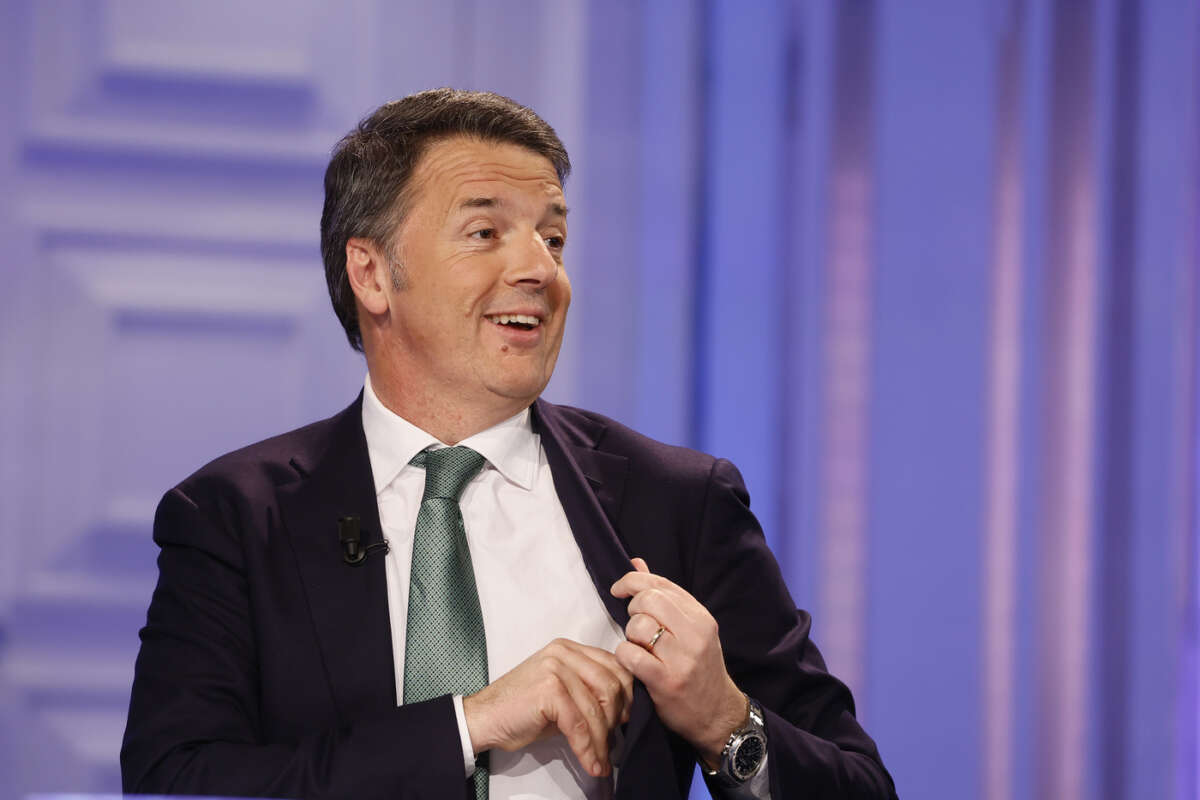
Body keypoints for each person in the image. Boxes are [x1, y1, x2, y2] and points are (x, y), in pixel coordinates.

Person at [120, 88, 897, 800]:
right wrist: (471, 725)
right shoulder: (235, 516)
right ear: (372, 274)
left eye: (553, 238)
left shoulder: (677, 502)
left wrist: (726, 723)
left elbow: (861, 788)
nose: (538, 270)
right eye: (485, 232)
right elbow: (177, 783)